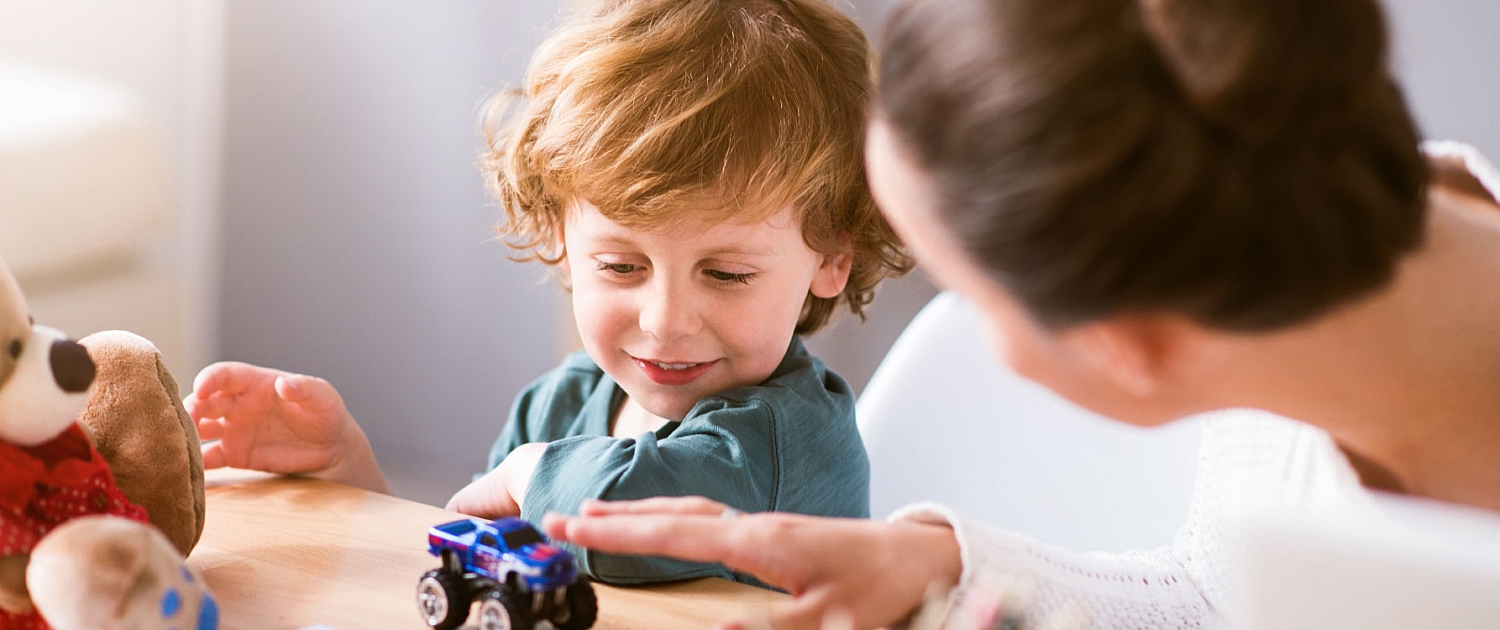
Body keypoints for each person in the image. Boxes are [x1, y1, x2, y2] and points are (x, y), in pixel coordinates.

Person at [541, 0, 1500, 626]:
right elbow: (1222, 597)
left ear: (1131, 348)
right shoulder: (1265, 255)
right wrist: (940, 566)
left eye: (967, 291)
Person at [183, 0, 910, 586]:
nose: (664, 322)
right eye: (622, 266)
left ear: (832, 260)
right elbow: (478, 556)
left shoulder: (792, 441)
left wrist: (528, 472)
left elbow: (624, 523)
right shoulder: (560, 404)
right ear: (562, 236)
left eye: (725, 274)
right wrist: (354, 484)